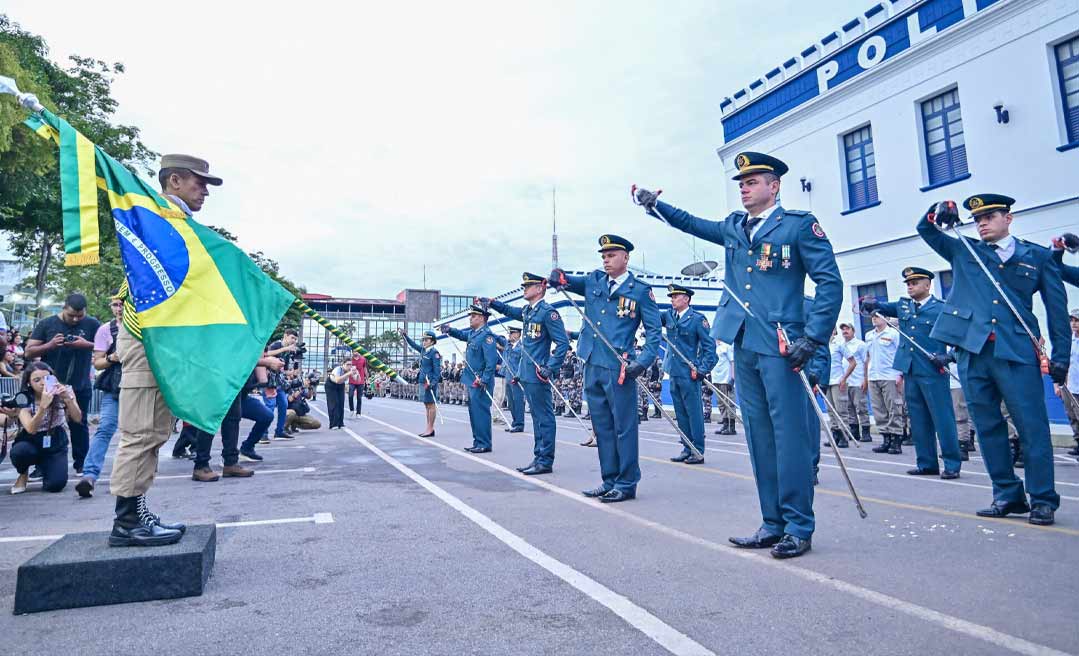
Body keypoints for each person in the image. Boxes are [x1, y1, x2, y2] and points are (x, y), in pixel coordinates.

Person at [635, 150, 842, 558]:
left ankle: (799, 525)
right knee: (760, 436)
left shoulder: (799, 227)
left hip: (783, 344)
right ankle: (772, 522)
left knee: (791, 437)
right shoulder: (734, 228)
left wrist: (813, 338)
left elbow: (830, 282)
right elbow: (691, 224)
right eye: (741, 183)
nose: (745, 188)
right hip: (745, 340)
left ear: (774, 185)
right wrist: (655, 205)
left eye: (752, 181)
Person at [918, 194, 1069, 526]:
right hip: (973, 353)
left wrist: (1061, 358)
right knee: (987, 428)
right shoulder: (964, 249)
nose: (981, 223)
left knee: (1032, 429)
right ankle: (1007, 494)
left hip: (1016, 353)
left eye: (989, 217)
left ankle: (1043, 499)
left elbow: (1058, 312)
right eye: (976, 219)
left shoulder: (1038, 257)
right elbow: (926, 230)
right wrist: (938, 211)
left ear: (1008, 219)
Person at [109, 154, 226, 547]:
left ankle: (137, 507)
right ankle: (126, 520)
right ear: (174, 180)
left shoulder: (178, 221)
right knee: (140, 430)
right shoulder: (156, 215)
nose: (205, 191)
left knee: (156, 428)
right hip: (146, 335)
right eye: (199, 182)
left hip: (161, 337)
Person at [550, 234, 661, 502]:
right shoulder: (594, 281)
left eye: (611, 255)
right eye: (603, 256)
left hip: (619, 365)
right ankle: (609, 479)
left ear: (626, 257)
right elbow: (567, 281)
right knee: (602, 425)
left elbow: (654, 332)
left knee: (624, 426)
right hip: (592, 361)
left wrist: (642, 362)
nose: (606, 260)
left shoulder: (640, 291)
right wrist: (557, 276)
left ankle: (626, 482)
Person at [862, 268, 962, 478]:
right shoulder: (903, 306)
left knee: (943, 419)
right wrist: (871, 303)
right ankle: (926, 463)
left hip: (933, 370)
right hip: (910, 370)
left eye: (915, 282)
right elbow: (881, 307)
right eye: (908, 283)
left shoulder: (941, 309)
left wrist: (950, 357)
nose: (910, 286)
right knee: (918, 419)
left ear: (928, 285)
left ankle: (952, 464)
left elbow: (960, 338)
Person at [484, 271, 571, 474]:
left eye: (527, 286)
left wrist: (550, 367)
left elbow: (562, 343)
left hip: (539, 373)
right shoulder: (529, 311)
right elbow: (509, 310)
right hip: (526, 373)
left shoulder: (548, 313)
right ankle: (538, 456)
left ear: (540, 288)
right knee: (537, 417)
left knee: (544, 417)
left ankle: (545, 460)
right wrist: (493, 303)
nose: (524, 289)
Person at [25, 292, 100, 474]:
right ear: (63, 308)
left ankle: (81, 463)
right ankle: (41, 465)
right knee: (46, 423)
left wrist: (87, 345)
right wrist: (49, 345)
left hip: (80, 383)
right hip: (50, 383)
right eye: (71, 315)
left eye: (79, 316)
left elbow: (105, 347)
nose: (75, 319)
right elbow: (28, 352)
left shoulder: (92, 324)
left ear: (85, 312)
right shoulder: (47, 324)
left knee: (79, 423)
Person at [661, 284, 718, 464]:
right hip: (674, 371)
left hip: (690, 373)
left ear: (686, 299)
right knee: (681, 413)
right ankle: (687, 448)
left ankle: (698, 450)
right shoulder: (669, 316)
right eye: (671, 297)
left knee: (694, 413)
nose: (672, 299)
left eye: (675, 296)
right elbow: (651, 317)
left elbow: (710, 349)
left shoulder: (697, 320)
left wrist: (702, 369)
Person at [76, 292, 125, 497]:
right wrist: (113, 357)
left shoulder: (143, 327)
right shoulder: (106, 330)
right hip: (114, 387)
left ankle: (134, 475)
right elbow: (97, 362)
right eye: (115, 304)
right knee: (105, 428)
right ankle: (89, 475)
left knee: (141, 432)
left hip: (140, 386)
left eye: (122, 304)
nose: (118, 308)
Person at [9, 363, 82, 494]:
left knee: (55, 485)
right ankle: (23, 473)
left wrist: (67, 399)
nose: (43, 383)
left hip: (55, 438)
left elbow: (77, 418)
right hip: (31, 439)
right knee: (20, 452)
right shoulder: (23, 398)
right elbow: (31, 429)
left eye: (47, 378)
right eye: (37, 380)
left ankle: (46, 466)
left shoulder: (64, 390)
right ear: (28, 383)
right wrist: (42, 407)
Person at [442, 304, 500, 453]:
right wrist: (450, 330)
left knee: (481, 412)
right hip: (471, 379)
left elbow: (491, 361)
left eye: (473, 316)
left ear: (481, 318)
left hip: (480, 380)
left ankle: (485, 443)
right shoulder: (474, 334)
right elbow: (462, 335)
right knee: (474, 412)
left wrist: (485, 379)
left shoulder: (487, 336)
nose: (470, 319)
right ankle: (478, 441)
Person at [864, 312, 904, 450]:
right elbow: (868, 356)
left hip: (890, 375)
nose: (874, 318)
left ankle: (896, 438)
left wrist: (900, 374)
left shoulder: (894, 334)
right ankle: (886, 438)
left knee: (893, 407)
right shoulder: (869, 335)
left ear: (886, 318)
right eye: (872, 316)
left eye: (877, 315)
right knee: (878, 409)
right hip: (874, 376)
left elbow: (901, 354)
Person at [401, 328, 443, 437]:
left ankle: (430, 428)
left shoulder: (434, 353)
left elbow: (437, 370)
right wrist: (405, 336)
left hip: (430, 383)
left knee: (431, 405)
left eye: (426, 340)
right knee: (426, 405)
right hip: (422, 381)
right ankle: (428, 427)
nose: (424, 342)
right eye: (423, 340)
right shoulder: (424, 350)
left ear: (432, 341)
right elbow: (413, 345)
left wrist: (433, 383)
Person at [837, 323, 872, 444]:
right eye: (843, 329)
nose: (845, 331)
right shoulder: (841, 345)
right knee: (849, 407)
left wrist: (865, 379)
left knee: (861, 406)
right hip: (846, 381)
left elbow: (866, 362)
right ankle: (854, 430)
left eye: (847, 329)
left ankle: (866, 431)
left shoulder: (860, 345)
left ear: (853, 330)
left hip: (858, 380)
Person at [263, 329, 301, 438]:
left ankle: (279, 431)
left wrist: (291, 373)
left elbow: (283, 369)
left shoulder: (288, 353)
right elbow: (266, 354)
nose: (293, 341)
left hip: (278, 382)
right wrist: (285, 348)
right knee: (270, 406)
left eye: (295, 339)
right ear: (285, 336)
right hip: (269, 381)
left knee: (283, 404)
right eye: (292, 338)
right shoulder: (277, 344)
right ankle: (263, 434)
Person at [1057, 309, 1079, 459]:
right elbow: (1064, 363)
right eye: (1072, 320)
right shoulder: (1069, 341)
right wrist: (1058, 384)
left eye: (1077, 320)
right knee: (1071, 415)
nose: (1074, 324)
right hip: (1069, 385)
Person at [825, 329, 851, 448]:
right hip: (826, 381)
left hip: (838, 380)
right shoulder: (822, 344)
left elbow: (853, 362)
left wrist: (844, 378)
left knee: (841, 410)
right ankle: (835, 434)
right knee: (830, 410)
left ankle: (844, 436)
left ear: (834, 331)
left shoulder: (839, 344)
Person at [501, 326, 526, 433]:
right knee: (510, 403)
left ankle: (520, 424)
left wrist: (519, 376)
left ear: (517, 335)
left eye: (511, 334)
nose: (509, 336)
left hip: (516, 378)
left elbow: (523, 363)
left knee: (518, 402)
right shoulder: (508, 345)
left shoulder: (522, 347)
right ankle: (515, 422)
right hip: (508, 376)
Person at [712, 340, 737, 435]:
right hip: (716, 379)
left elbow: (732, 362)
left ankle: (732, 426)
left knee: (729, 403)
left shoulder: (727, 345)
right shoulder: (715, 346)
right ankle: (725, 423)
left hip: (725, 379)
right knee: (721, 403)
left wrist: (732, 378)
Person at [325, 357, 351, 429]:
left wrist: (357, 374)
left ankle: (340, 423)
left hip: (340, 385)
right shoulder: (338, 369)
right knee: (334, 403)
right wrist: (348, 374)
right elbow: (337, 380)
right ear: (343, 365)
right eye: (347, 364)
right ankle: (333, 424)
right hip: (331, 385)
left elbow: (357, 379)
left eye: (350, 365)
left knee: (341, 403)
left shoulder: (350, 370)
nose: (349, 366)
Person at [348, 350, 368, 417]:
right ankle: (351, 409)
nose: (355, 353)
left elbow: (365, 368)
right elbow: (347, 368)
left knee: (359, 397)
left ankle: (358, 412)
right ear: (352, 352)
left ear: (358, 352)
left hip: (360, 380)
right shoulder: (350, 360)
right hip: (352, 380)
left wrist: (367, 378)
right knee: (350, 395)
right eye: (354, 351)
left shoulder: (363, 359)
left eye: (356, 351)